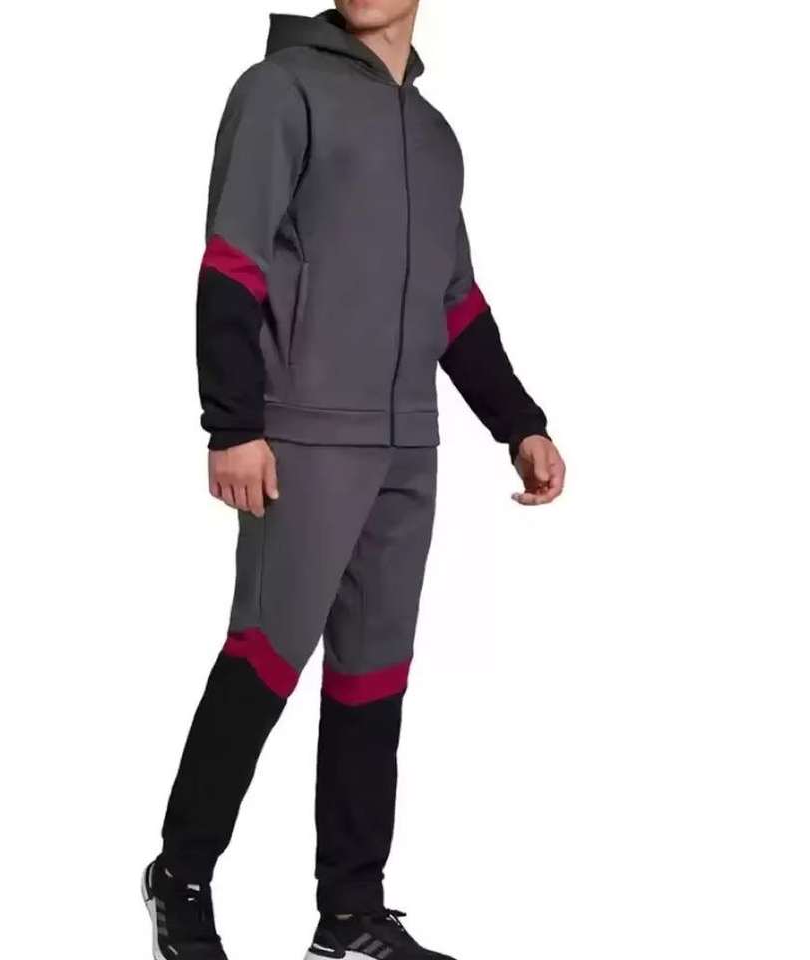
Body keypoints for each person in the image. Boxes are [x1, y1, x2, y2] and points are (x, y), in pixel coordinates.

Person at [143, 4, 566, 958]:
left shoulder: (434, 136)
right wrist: (234, 425)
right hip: (303, 436)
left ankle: (351, 914)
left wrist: (520, 422)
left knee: (375, 674)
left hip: (407, 445)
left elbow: (455, 302)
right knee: (264, 658)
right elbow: (232, 261)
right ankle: (181, 874)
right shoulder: (279, 92)